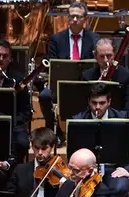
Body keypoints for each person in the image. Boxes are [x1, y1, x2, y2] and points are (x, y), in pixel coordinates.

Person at [72, 82, 129, 197]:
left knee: (120, 188)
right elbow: (72, 150)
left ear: (109, 101)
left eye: (102, 103)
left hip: (114, 167)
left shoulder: (122, 118)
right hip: (88, 169)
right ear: (88, 101)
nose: (97, 107)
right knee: (82, 189)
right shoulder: (78, 119)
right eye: (94, 103)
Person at [38, 2, 100, 142]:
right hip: (61, 83)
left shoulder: (94, 38)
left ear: (85, 18)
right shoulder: (56, 39)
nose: (75, 20)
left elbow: (96, 65)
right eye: (72, 16)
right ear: (68, 18)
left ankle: (90, 133)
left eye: (78, 16)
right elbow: (52, 64)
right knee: (44, 96)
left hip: (86, 84)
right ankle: (55, 131)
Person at [81, 38, 129, 118]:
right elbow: (82, 108)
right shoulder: (87, 76)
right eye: (101, 56)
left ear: (115, 55)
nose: (106, 60)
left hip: (118, 121)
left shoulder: (125, 76)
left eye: (109, 56)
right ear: (95, 56)